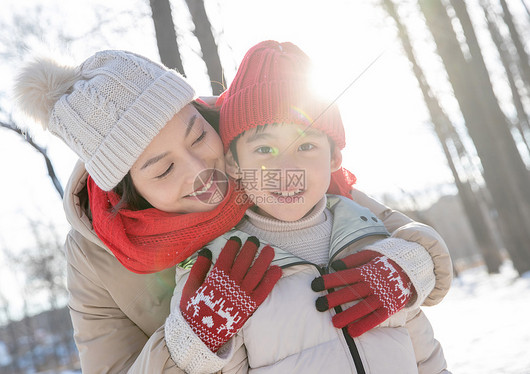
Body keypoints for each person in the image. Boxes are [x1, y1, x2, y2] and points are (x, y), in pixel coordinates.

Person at [14, 49, 452, 373]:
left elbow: (380, 225)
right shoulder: (96, 257)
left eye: (198, 137)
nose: (200, 169)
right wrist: (192, 337)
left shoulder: (253, 142)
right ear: (130, 192)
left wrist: (410, 264)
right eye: (164, 169)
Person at [162, 40, 451, 373]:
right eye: (265, 150)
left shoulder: (374, 237)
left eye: (307, 145)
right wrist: (199, 343)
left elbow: (425, 354)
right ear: (233, 163)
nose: (287, 168)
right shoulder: (220, 265)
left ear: (335, 158)